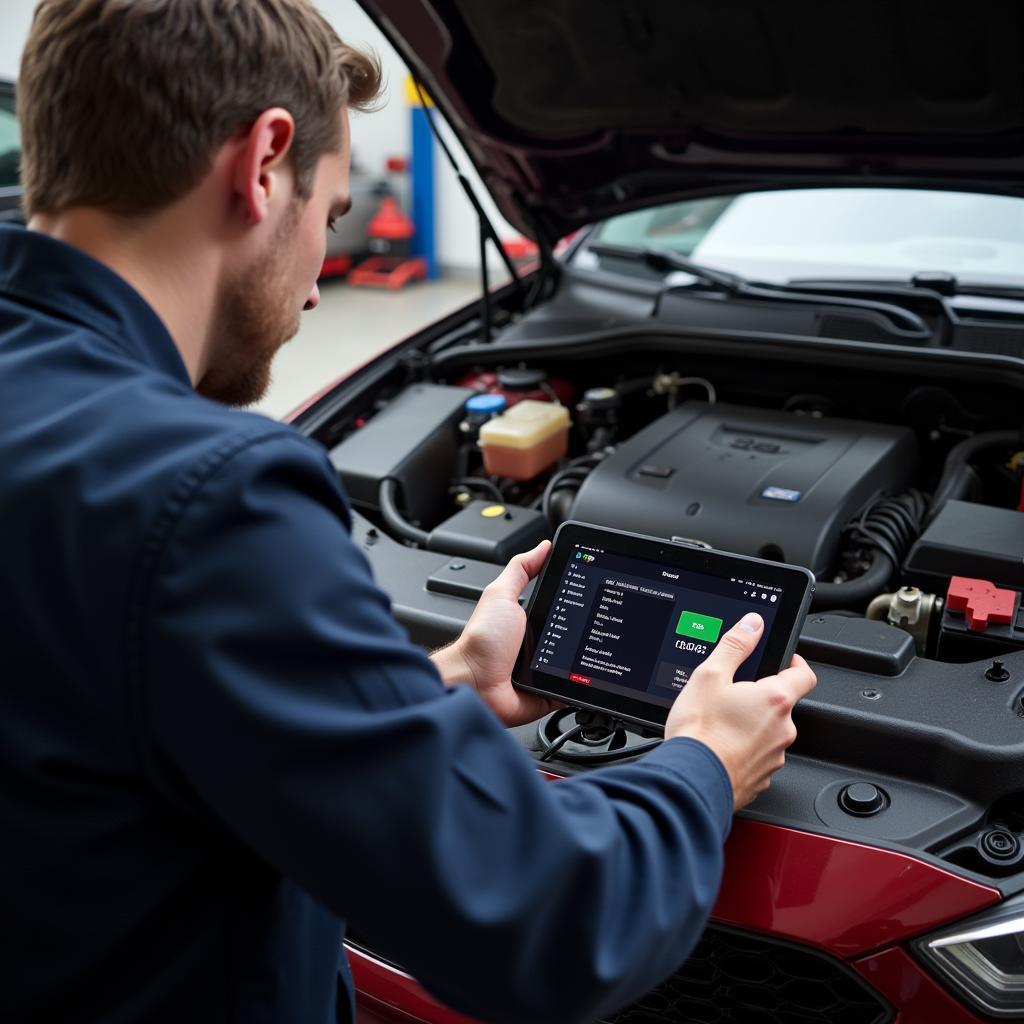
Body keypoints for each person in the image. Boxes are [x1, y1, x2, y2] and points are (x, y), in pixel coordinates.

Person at [0, 1, 816, 1022]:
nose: (310, 292)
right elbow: (549, 922)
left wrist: (439, 685)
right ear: (264, 163)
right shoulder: (206, 496)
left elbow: (103, 703)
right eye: (331, 213)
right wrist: (702, 758)